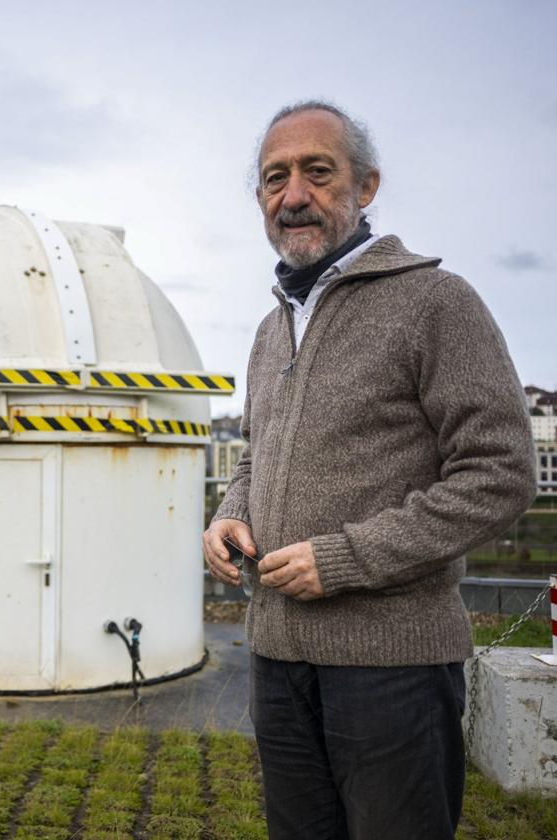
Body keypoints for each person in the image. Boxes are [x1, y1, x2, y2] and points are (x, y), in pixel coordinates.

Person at [202, 101, 535, 839]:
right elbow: (259, 450)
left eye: (318, 173)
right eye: (274, 178)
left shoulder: (435, 302)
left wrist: (345, 558)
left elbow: (501, 473)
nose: (293, 195)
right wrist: (232, 510)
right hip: (278, 658)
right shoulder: (271, 325)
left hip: (393, 668)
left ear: (367, 185)